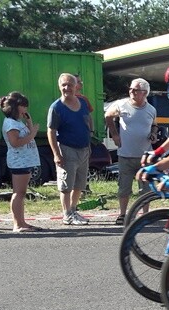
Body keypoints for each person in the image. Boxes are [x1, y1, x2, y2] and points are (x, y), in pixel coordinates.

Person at [105, 78, 157, 224]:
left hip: (144, 156)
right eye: (131, 89)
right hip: (125, 154)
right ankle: (122, 214)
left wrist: (153, 133)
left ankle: (145, 215)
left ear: (145, 93)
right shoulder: (122, 105)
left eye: (135, 90)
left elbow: (154, 125)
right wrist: (115, 134)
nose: (131, 92)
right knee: (124, 187)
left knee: (145, 188)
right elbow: (108, 116)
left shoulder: (151, 109)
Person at [47, 72, 93, 226]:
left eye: (70, 85)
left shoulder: (83, 102)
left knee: (79, 184)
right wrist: (56, 154)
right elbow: (51, 131)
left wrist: (90, 139)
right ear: (59, 87)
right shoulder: (56, 107)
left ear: (76, 86)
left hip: (84, 148)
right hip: (67, 149)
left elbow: (88, 119)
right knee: (66, 185)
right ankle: (67, 214)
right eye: (63, 85)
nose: (67, 88)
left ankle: (73, 210)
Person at [0, 91, 42, 232]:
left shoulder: (18, 122)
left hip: (25, 161)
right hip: (19, 161)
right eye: (24, 106)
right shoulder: (11, 123)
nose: (26, 109)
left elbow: (27, 135)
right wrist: (33, 133)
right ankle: (18, 224)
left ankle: (22, 222)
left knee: (22, 192)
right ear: (15, 107)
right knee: (18, 193)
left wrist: (29, 122)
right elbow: (15, 142)